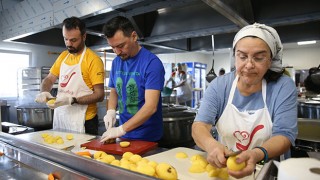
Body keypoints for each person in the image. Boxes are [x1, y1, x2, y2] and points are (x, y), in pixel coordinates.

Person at [191, 23, 298, 179]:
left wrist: (257, 154)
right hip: (227, 170)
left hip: (269, 171)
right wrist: (211, 145)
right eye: (242, 56)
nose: (249, 65)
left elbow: (285, 135)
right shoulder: (220, 86)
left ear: (270, 60)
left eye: (259, 58)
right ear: (235, 57)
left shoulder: (283, 86)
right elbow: (199, 126)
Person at [35, 17, 105, 135]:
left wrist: (73, 100)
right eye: (65, 39)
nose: (68, 44)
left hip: (84, 121)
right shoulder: (63, 56)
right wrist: (44, 91)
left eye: (73, 40)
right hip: (62, 117)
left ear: (84, 37)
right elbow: (49, 79)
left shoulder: (93, 60)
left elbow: (99, 95)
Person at [100, 16, 165, 143]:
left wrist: (120, 130)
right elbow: (114, 91)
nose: (117, 52)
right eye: (112, 47)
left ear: (134, 36)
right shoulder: (116, 62)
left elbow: (151, 107)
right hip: (124, 135)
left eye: (120, 45)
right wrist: (111, 111)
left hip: (147, 137)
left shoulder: (151, 63)